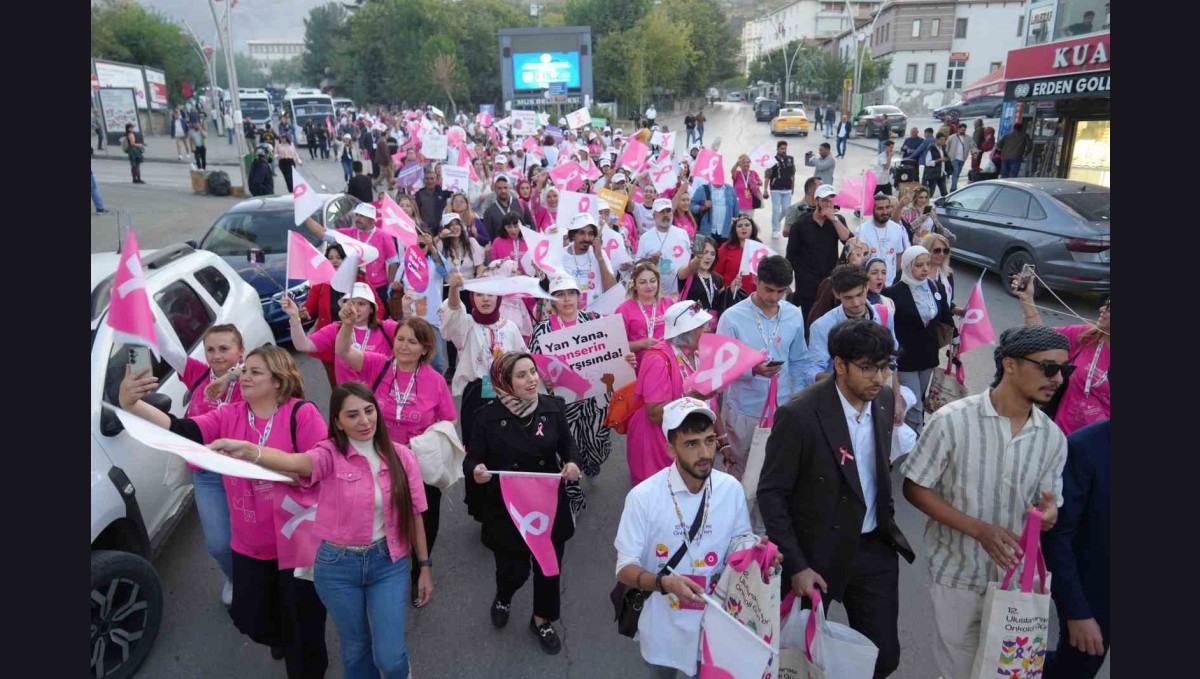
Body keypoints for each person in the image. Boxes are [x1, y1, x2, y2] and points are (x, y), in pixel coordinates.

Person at [118, 345, 329, 675]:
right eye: (245, 371)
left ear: (278, 381)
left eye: (255, 372)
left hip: (298, 543)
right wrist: (133, 404)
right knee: (251, 619)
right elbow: (181, 429)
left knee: (305, 628)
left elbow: (319, 466)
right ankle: (285, 635)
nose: (244, 376)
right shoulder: (229, 414)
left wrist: (259, 457)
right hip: (251, 543)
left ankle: (303, 658)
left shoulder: (302, 414)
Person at [210, 382, 431, 678]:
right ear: (337, 422)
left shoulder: (402, 457)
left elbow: (415, 514)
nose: (364, 421)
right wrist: (250, 450)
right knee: (356, 648)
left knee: (389, 657)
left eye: (369, 411)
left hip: (388, 563)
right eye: (352, 415)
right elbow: (294, 462)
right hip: (337, 567)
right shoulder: (328, 455)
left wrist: (425, 566)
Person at [901, 325, 1069, 679]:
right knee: (959, 673)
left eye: (1064, 370)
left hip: (1019, 588)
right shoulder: (953, 420)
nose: (1057, 379)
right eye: (1048, 368)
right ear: (1009, 363)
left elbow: (1049, 502)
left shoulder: (1053, 438)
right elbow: (915, 488)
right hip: (958, 574)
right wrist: (979, 531)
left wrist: (1050, 514)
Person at [759, 319, 915, 678]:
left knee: (883, 657)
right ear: (839, 365)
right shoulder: (799, 414)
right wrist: (797, 564)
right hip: (816, 555)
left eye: (885, 367)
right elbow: (772, 493)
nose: (878, 378)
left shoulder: (884, 400)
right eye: (867, 368)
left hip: (873, 548)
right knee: (800, 655)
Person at [614, 397, 763, 677]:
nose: (705, 452)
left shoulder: (730, 488)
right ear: (671, 448)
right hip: (663, 626)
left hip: (716, 619)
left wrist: (757, 551)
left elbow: (740, 538)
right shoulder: (643, 498)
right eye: (692, 444)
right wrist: (663, 583)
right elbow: (625, 568)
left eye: (709, 440)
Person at [335, 314, 455, 606]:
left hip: (419, 464)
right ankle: (387, 572)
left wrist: (426, 441)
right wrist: (347, 325)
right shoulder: (378, 366)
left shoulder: (435, 381)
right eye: (400, 339)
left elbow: (449, 418)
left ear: (425, 348)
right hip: (379, 460)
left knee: (425, 520)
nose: (403, 346)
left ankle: (419, 569)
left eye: (412, 342)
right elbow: (343, 351)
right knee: (384, 518)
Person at [466, 352, 580, 654]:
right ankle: (504, 595)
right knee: (512, 569)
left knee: (548, 568)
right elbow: (472, 458)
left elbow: (569, 445)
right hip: (508, 509)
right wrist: (475, 471)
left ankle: (542, 619)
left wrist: (572, 463)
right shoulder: (486, 417)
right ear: (505, 381)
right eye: (521, 375)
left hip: (547, 507)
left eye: (533, 372)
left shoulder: (552, 408)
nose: (531, 380)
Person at [715, 255, 811, 481]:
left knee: (776, 476)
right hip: (745, 411)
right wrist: (752, 370)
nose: (774, 297)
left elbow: (798, 361)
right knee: (739, 475)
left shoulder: (793, 315)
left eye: (782, 291)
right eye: (768, 290)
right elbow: (719, 369)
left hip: (783, 409)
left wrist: (799, 400)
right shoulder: (732, 318)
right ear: (756, 280)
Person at [439, 271, 527, 516]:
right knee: (477, 449)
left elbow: (523, 361)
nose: (485, 299)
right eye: (479, 294)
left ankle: (509, 500)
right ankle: (481, 505)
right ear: (472, 298)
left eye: (490, 294)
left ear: (498, 298)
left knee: (508, 446)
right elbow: (450, 322)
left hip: (507, 395)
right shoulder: (466, 325)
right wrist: (455, 290)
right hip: (475, 397)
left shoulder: (510, 328)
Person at [1042, 419, 1110, 678]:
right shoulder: (1084, 448)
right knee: (1076, 669)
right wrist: (1076, 611)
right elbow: (1058, 538)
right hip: (1095, 599)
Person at [1014, 279, 1110, 436]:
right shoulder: (1088, 336)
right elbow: (1043, 339)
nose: (1101, 309)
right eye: (1105, 304)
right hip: (1059, 434)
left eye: (1109, 308)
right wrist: (1027, 299)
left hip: (1097, 449)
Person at [884, 246, 957, 435]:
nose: (925, 269)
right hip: (905, 359)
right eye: (919, 265)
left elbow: (945, 317)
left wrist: (956, 340)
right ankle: (912, 447)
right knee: (914, 406)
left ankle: (911, 439)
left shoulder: (935, 287)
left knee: (918, 401)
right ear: (908, 266)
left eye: (927, 264)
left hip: (928, 356)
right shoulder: (893, 293)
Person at [307, 202, 400, 304]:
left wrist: (390, 287)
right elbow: (321, 233)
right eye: (356, 215)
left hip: (378, 288)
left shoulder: (384, 236)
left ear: (372, 220)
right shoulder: (348, 234)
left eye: (362, 216)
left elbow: (393, 263)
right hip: (354, 288)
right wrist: (305, 216)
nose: (357, 219)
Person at [786, 184, 853, 323]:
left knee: (831, 316)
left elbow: (849, 241)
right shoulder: (801, 225)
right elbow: (790, 255)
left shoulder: (837, 221)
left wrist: (833, 219)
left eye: (830, 201)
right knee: (809, 317)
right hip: (807, 280)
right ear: (816, 201)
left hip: (830, 278)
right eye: (824, 200)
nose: (828, 204)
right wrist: (786, 283)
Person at [633, 198, 694, 298]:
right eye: (661, 212)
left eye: (668, 211)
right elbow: (637, 267)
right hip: (656, 295)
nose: (666, 215)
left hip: (682, 292)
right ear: (654, 215)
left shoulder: (683, 234)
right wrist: (650, 261)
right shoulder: (645, 238)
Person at [616, 262, 675, 366]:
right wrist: (641, 344)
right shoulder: (624, 309)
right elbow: (617, 346)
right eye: (643, 282)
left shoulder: (668, 302)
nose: (649, 286)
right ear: (634, 285)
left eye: (652, 281)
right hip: (639, 366)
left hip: (667, 363)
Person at [806, 238, 870, 327]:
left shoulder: (872, 278)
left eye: (866, 254)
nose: (862, 258)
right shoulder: (832, 282)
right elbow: (819, 312)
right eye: (858, 254)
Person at [561, 213, 618, 309]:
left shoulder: (600, 253)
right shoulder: (560, 255)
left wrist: (599, 259)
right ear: (573, 234)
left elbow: (612, 289)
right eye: (582, 233)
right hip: (571, 316)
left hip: (596, 316)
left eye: (590, 234)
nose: (586, 238)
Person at [859, 193, 912, 287]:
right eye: (880, 208)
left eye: (887, 207)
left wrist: (897, 276)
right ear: (872, 209)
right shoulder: (861, 230)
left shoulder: (897, 228)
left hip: (892, 283)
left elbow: (899, 254)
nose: (885, 212)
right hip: (869, 284)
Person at [713, 214, 761, 295]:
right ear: (734, 230)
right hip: (731, 294)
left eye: (747, 225)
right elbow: (716, 273)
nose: (743, 228)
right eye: (739, 226)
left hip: (754, 295)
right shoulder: (726, 248)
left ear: (752, 227)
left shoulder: (759, 247)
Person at [689, 172, 737, 244]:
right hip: (707, 231)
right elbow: (692, 205)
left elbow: (736, 211)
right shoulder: (702, 189)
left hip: (725, 232)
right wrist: (703, 207)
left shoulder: (730, 189)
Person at [482, 176, 535, 241]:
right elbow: (490, 236)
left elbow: (531, 226)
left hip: (522, 246)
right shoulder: (489, 212)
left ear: (509, 188)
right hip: (502, 248)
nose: (503, 191)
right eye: (499, 188)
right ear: (494, 189)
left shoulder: (521, 204)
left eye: (505, 187)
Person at [761, 141, 796, 238]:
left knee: (786, 209)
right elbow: (767, 176)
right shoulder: (772, 160)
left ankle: (777, 221)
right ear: (777, 149)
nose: (784, 150)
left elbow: (792, 174)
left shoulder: (790, 159)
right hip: (775, 188)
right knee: (776, 210)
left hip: (787, 188)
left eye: (785, 148)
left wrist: (793, 186)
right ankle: (775, 229)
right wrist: (765, 189)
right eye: (782, 148)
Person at [921, 232, 957, 308]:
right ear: (926, 250)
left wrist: (955, 309)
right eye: (937, 250)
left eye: (945, 251)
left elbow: (947, 303)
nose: (942, 254)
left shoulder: (948, 274)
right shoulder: (914, 273)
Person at [946, 124, 975, 192]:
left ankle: (954, 186)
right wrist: (946, 156)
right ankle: (953, 189)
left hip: (963, 159)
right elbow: (947, 147)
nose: (963, 131)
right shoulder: (951, 137)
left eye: (964, 130)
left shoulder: (968, 138)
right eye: (962, 130)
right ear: (958, 129)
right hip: (954, 158)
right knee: (955, 173)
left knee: (957, 174)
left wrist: (975, 153)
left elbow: (973, 146)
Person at [923, 133, 951, 198]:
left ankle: (945, 206)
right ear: (936, 140)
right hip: (933, 174)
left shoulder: (943, 148)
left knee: (944, 193)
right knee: (930, 192)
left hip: (941, 173)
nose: (942, 142)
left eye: (944, 140)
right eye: (941, 140)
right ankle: (926, 205)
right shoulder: (931, 149)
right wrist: (939, 160)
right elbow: (927, 163)